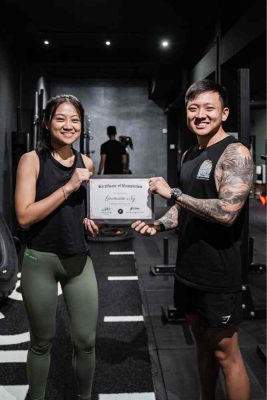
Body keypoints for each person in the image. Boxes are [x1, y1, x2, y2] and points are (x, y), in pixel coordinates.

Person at [132, 80, 253, 400]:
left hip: (218, 272)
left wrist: (173, 192)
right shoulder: (190, 153)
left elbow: (227, 212)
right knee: (202, 346)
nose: (200, 115)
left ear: (224, 113)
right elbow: (184, 207)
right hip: (188, 268)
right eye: (193, 108)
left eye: (209, 108)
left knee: (227, 355)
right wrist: (158, 224)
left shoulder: (235, 153)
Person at [15, 94, 100, 400]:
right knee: (42, 341)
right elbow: (24, 216)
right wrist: (68, 187)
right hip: (41, 260)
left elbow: (87, 211)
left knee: (86, 341)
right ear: (48, 123)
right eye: (61, 118)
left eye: (75, 120)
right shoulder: (31, 160)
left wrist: (92, 221)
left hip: (79, 259)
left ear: (82, 126)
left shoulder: (87, 163)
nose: (68, 125)